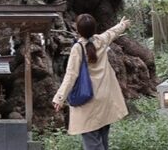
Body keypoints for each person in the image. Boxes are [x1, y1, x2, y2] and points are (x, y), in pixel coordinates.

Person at [52, 14, 131, 150]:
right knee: (102, 140)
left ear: (78, 29)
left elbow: (71, 75)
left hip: (88, 101)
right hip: (105, 99)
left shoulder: (78, 48)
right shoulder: (101, 40)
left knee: (92, 143)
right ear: (94, 28)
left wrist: (60, 98)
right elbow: (112, 32)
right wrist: (123, 24)